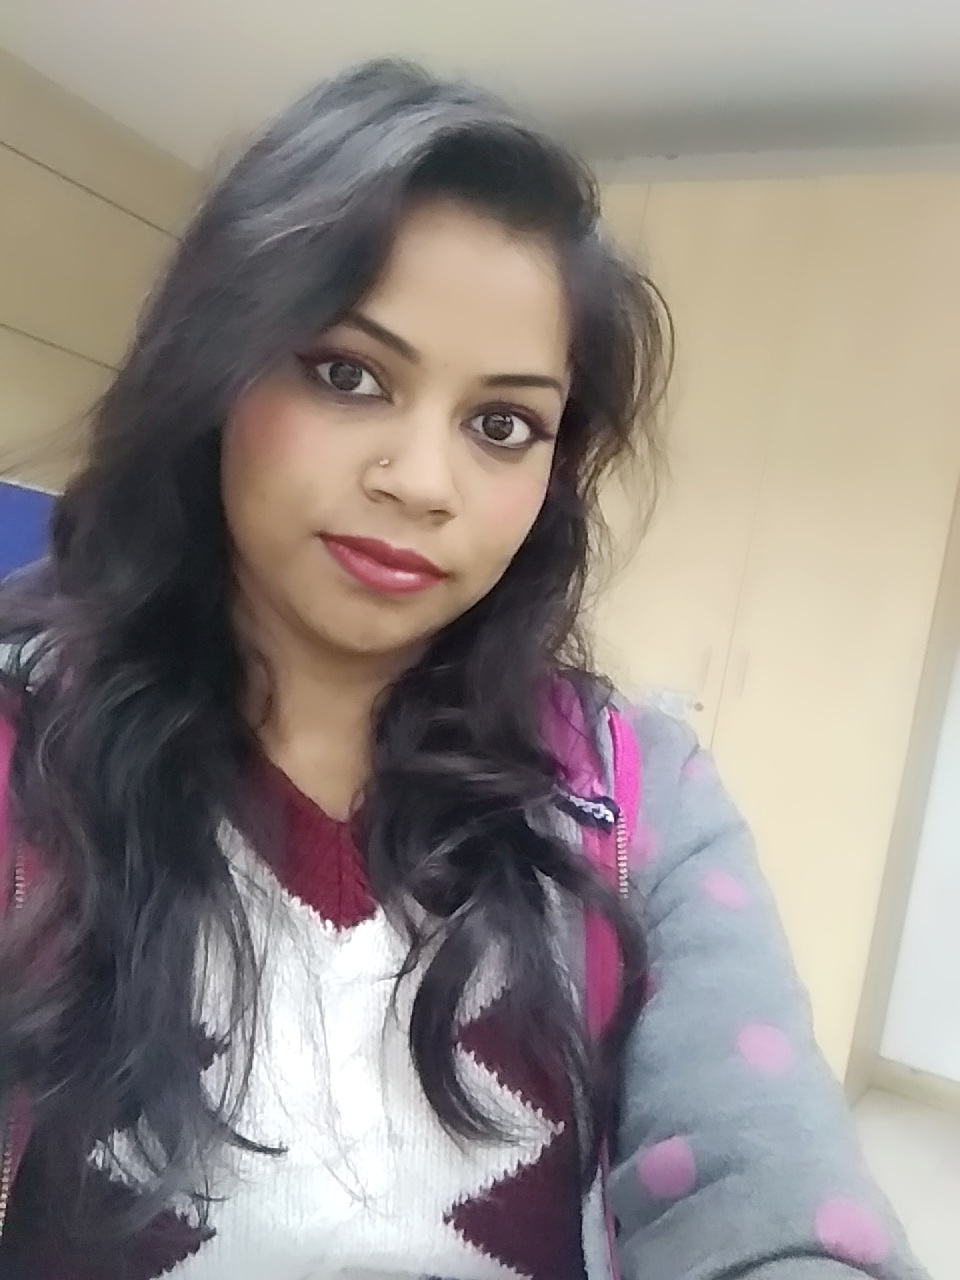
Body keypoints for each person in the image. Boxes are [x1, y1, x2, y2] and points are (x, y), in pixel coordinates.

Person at [0, 59, 926, 1280]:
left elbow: (768, 1186)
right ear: (216, 369)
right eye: (349, 373)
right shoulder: (27, 744)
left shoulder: (636, 797)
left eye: (502, 424)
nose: (423, 482)